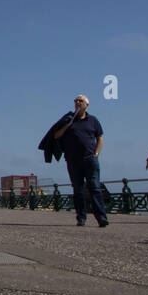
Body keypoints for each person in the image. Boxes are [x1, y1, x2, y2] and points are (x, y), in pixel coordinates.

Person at [51, 95, 108, 227]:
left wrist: (96, 154)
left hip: (90, 159)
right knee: (78, 189)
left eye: (80, 101)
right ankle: (81, 217)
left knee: (95, 187)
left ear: (86, 105)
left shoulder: (93, 120)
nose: (77, 102)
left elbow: (100, 138)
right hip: (73, 161)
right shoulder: (68, 120)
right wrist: (68, 125)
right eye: (76, 101)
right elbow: (56, 135)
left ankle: (101, 218)